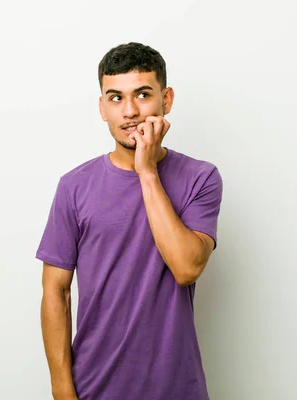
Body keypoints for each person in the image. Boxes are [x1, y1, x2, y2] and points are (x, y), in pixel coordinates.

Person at [35, 42, 223, 400]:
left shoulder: (201, 178)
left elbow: (186, 267)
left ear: (166, 100)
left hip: (175, 387)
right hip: (93, 386)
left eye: (143, 94)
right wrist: (62, 389)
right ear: (102, 108)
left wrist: (147, 172)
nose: (131, 111)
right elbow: (55, 291)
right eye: (116, 98)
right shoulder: (74, 186)